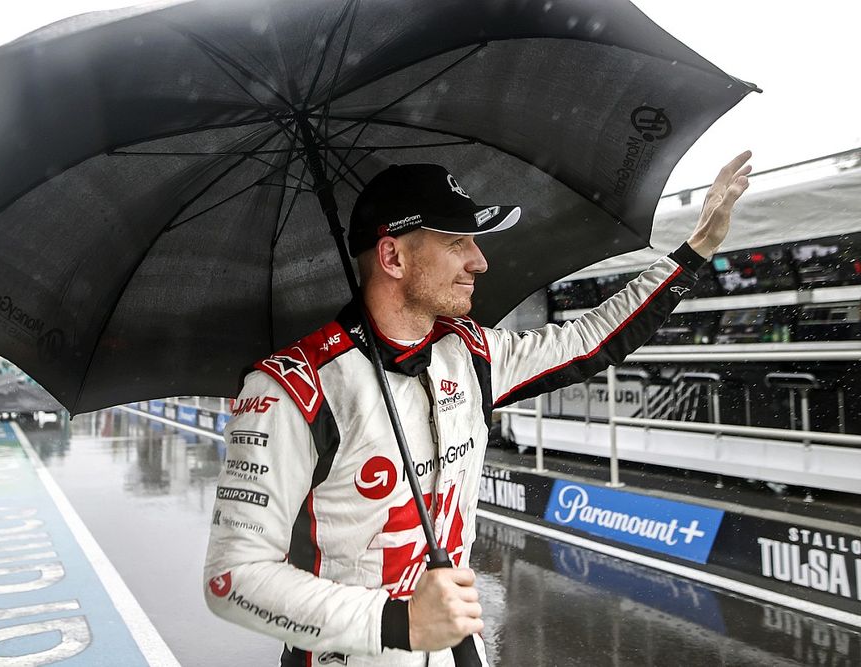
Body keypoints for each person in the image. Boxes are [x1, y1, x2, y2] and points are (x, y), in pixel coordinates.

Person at [204, 153, 753, 666]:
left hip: (456, 653)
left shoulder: (471, 353)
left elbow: (588, 342)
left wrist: (695, 251)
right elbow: (233, 578)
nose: (479, 260)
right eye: (456, 241)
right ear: (393, 255)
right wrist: (402, 624)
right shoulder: (292, 388)